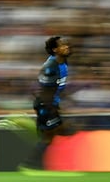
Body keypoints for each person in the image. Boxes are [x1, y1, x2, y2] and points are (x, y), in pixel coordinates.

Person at [21, 35, 73, 170]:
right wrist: (53, 109)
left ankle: (35, 163)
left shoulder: (63, 62)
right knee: (51, 135)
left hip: (50, 103)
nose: (66, 46)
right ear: (55, 49)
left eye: (66, 44)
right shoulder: (51, 67)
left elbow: (58, 87)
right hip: (45, 104)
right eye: (62, 45)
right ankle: (30, 164)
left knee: (58, 132)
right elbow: (45, 92)